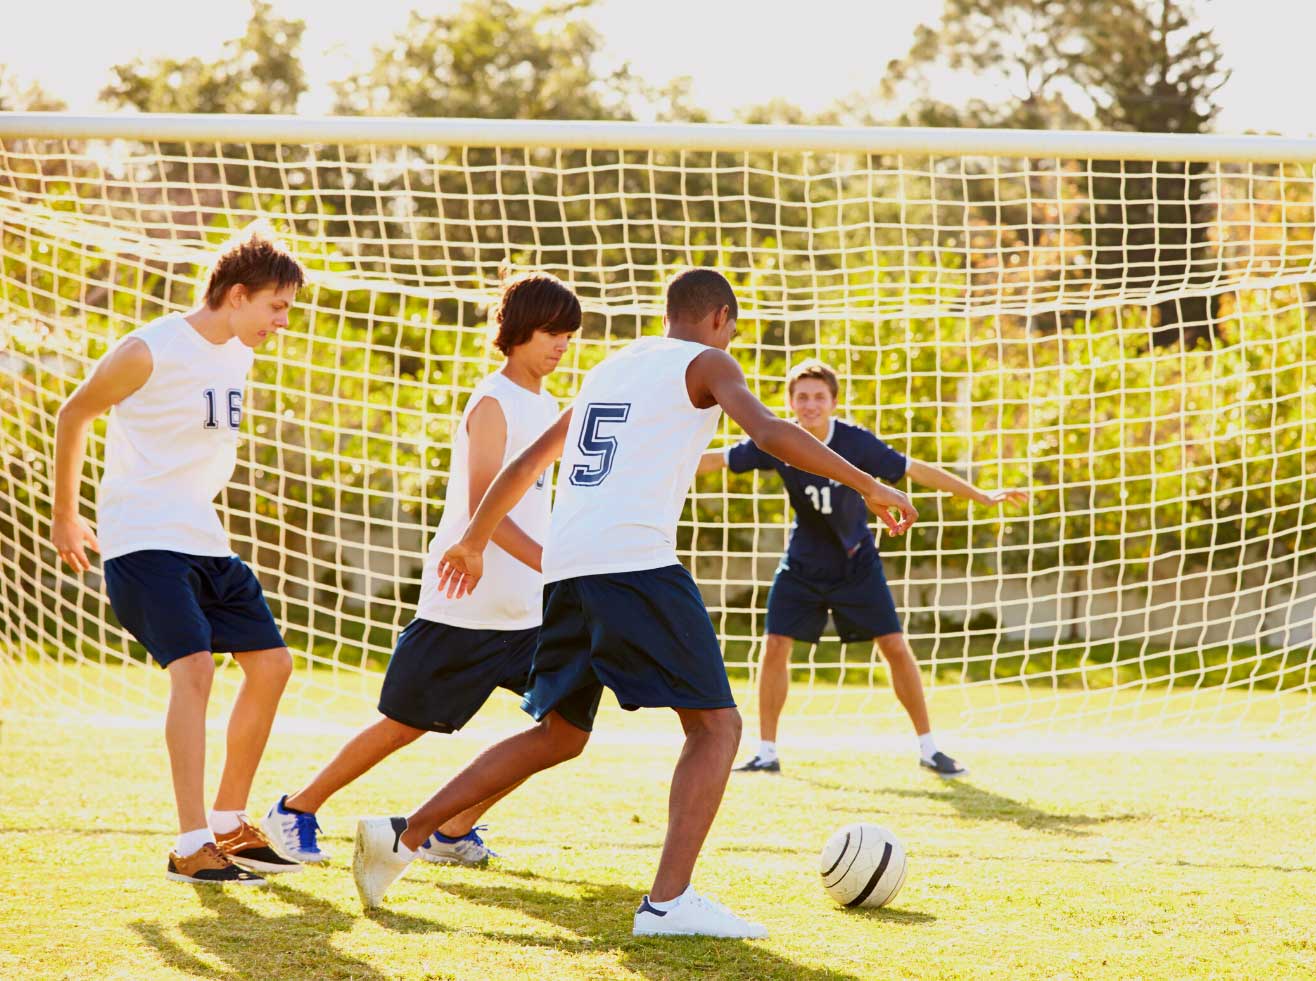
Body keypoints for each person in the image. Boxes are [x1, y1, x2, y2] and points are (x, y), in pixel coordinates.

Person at [350, 269, 917, 938]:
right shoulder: (710, 361)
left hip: (566, 566)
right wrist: (866, 483)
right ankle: (668, 903)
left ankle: (403, 832)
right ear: (719, 317)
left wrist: (476, 538)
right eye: (731, 326)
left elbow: (527, 463)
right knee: (716, 728)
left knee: (560, 734)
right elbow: (769, 432)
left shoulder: (613, 366)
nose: (729, 336)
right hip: (633, 564)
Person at [261, 273, 580, 867]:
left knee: (562, 732)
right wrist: (549, 561)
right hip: (466, 603)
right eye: (550, 332)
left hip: (530, 612)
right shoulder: (494, 401)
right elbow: (487, 501)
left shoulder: (549, 406)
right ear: (515, 333)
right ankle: (295, 810)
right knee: (403, 726)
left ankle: (453, 829)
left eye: (569, 334)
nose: (562, 345)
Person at [51, 225, 306, 885]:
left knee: (272, 663)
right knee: (194, 669)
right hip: (142, 538)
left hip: (203, 536)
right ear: (239, 294)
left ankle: (227, 822)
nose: (282, 321)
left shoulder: (239, 352)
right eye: (276, 306)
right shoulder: (149, 349)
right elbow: (73, 414)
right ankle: (191, 844)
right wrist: (65, 515)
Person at [698, 358, 1029, 777]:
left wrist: (980, 495)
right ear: (790, 403)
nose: (810, 404)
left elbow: (915, 470)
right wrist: (655, 463)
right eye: (802, 397)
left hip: (857, 563)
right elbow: (718, 460)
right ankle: (766, 752)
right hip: (802, 565)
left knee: (893, 646)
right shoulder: (778, 439)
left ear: (834, 402)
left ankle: (930, 749)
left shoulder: (857, 443)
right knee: (775, 645)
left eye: (819, 397)